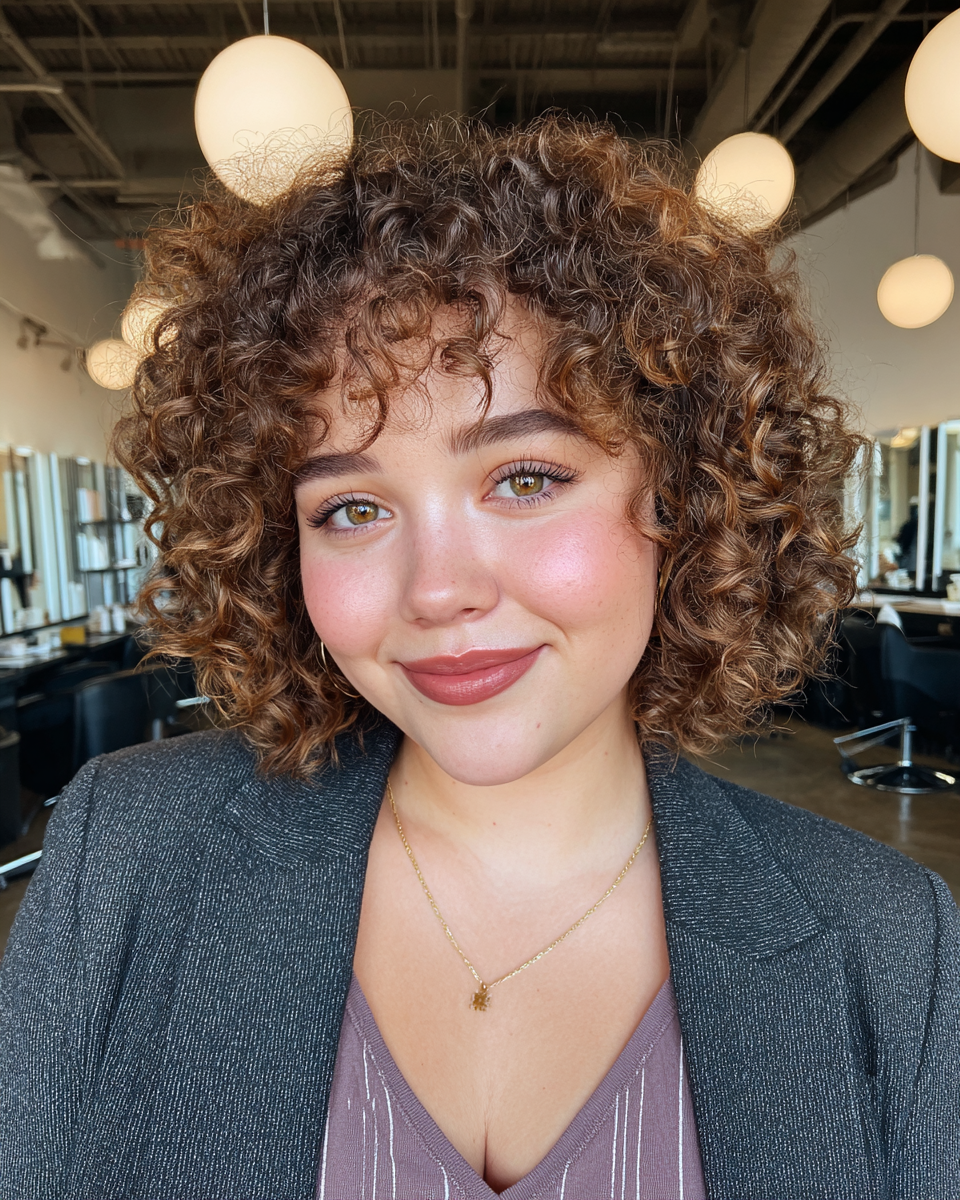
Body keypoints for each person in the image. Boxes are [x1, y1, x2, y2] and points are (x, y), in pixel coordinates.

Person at [1, 118, 956, 1200]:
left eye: (526, 479)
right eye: (352, 507)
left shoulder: (886, 945)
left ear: (686, 498)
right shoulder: (126, 859)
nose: (439, 590)